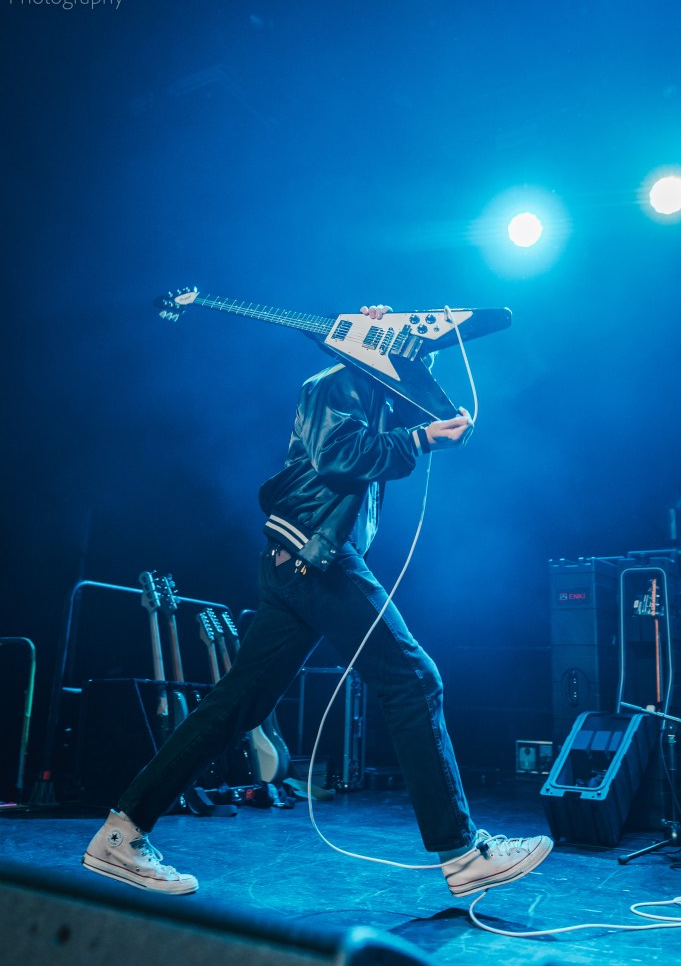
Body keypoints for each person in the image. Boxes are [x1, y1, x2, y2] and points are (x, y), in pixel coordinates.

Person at [83, 303, 552, 897]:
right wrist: (418, 434)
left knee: (236, 705)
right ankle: (463, 855)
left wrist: (421, 396)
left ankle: (120, 834)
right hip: (315, 552)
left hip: (298, 561)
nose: (405, 344)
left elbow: (429, 406)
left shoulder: (374, 391)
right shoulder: (332, 382)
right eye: (390, 331)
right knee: (413, 680)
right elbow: (337, 457)